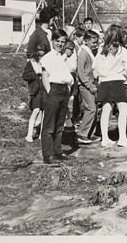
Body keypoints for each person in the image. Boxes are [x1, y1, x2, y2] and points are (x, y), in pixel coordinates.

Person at [93, 25, 127, 149]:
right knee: (123, 110)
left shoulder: (102, 48)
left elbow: (95, 65)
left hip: (104, 82)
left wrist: (100, 76)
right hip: (117, 81)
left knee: (106, 110)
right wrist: (124, 74)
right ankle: (122, 138)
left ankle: (105, 138)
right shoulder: (121, 50)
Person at [39, 29, 74, 165]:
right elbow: (45, 76)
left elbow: (66, 75)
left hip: (64, 90)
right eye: (57, 41)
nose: (60, 44)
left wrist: (68, 90)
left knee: (60, 124)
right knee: (49, 125)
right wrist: (50, 92)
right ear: (52, 41)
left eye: (62, 42)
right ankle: (48, 155)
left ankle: (57, 151)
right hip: (53, 90)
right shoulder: (48, 57)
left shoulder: (63, 57)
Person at [77, 30, 100, 144]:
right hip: (86, 85)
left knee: (94, 109)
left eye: (97, 42)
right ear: (86, 41)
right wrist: (90, 86)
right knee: (91, 108)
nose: (95, 44)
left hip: (92, 84)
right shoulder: (83, 54)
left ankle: (90, 133)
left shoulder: (90, 52)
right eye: (93, 42)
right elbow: (81, 73)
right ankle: (81, 133)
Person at [22, 44, 47, 142]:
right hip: (36, 90)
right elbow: (25, 75)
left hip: (45, 89)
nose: (41, 54)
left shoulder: (47, 62)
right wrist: (36, 73)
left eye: (43, 51)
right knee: (36, 110)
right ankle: (29, 134)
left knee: (44, 112)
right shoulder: (31, 62)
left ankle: (41, 134)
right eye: (40, 51)